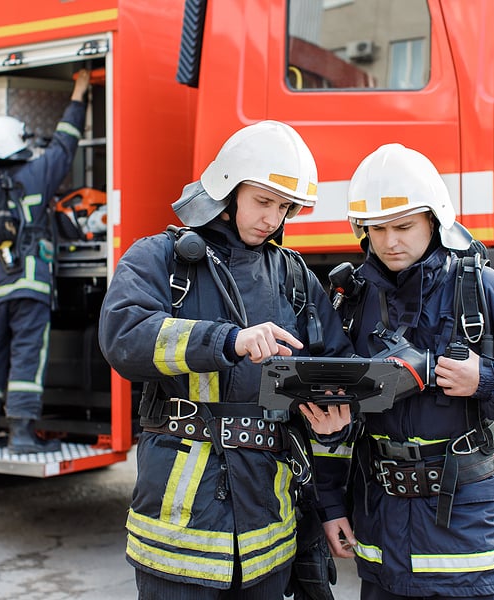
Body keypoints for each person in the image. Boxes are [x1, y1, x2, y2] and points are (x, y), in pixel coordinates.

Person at [316, 144, 494, 600]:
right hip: (380, 541)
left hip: (466, 543)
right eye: (377, 229)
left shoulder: (487, 289)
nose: (389, 241)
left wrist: (485, 379)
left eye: (403, 226)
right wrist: (329, 504)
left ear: (434, 221)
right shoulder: (351, 302)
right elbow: (333, 415)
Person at [97, 120, 354, 598]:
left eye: (284, 207)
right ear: (226, 190)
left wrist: (333, 419)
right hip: (179, 534)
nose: (272, 219)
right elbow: (123, 337)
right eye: (262, 201)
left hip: (268, 533)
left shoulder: (296, 278)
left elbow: (333, 368)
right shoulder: (159, 259)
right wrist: (227, 340)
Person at [0, 69, 91, 453]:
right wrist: (79, 93)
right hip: (30, 286)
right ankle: (21, 434)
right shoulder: (37, 174)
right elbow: (66, 142)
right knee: (27, 356)